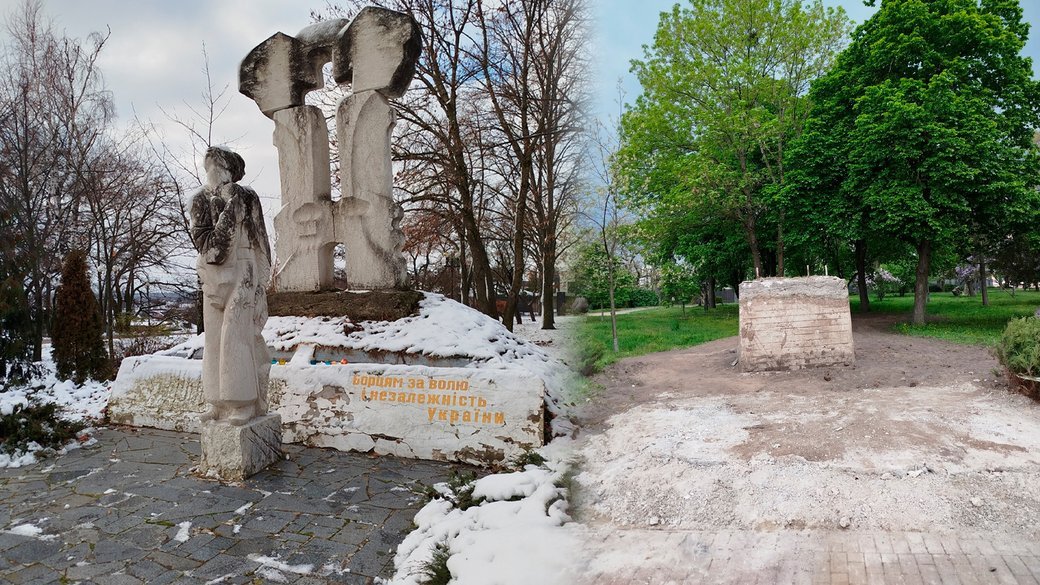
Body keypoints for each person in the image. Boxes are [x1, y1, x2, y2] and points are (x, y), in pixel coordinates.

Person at [190, 146, 272, 425]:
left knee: (236, 335)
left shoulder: (246, 196)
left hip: (244, 266)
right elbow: (205, 244)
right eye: (210, 165)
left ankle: (242, 402)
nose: (213, 170)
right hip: (213, 272)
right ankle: (216, 401)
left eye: (219, 165)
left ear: (230, 170)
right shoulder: (200, 199)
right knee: (213, 337)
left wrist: (261, 285)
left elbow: (261, 241)